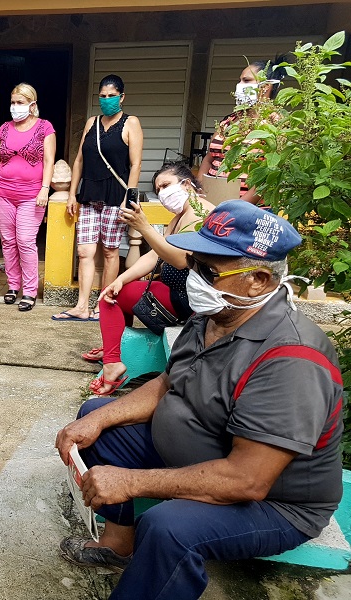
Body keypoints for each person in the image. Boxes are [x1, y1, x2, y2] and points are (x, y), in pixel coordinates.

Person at [55, 200, 343, 600]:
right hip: (206, 454)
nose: (194, 278)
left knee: (168, 526)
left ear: (258, 280)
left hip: (276, 503)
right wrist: (99, 421)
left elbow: (248, 479)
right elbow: (169, 382)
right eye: (194, 264)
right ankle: (119, 543)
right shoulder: (214, 316)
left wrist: (133, 482)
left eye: (208, 271)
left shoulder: (291, 360)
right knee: (98, 417)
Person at [83, 163, 214, 395]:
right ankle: (114, 350)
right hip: (177, 291)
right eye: (158, 189)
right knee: (113, 291)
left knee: (107, 300)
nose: (162, 193)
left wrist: (144, 228)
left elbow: (181, 260)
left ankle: (113, 363)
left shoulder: (201, 214)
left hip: (189, 300)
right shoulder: (181, 215)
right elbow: (155, 255)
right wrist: (120, 279)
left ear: (186, 184)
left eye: (166, 185)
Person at [53, 74, 143, 322]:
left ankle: (103, 304)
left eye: (111, 96)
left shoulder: (130, 123)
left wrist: (129, 197)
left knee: (110, 252)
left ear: (122, 97)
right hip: (90, 194)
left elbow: (135, 165)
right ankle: (82, 306)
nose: (106, 100)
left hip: (116, 195)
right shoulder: (92, 122)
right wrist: (72, 193)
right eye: (102, 96)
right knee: (84, 251)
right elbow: (80, 159)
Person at [0, 83, 56, 312]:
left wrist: (45, 188)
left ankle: (29, 290)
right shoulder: (4, 129)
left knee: (25, 241)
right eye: (13, 102)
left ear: (32, 105)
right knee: (8, 242)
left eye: (20, 103)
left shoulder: (45, 128)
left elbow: (48, 161)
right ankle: (13, 286)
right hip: (1, 194)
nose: (15, 107)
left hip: (31, 196)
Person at [197, 56, 286, 204]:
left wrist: (236, 208)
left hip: (248, 211)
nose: (239, 85)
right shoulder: (229, 121)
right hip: (211, 204)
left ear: (265, 86)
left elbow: (270, 175)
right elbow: (210, 157)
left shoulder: (277, 126)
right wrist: (199, 192)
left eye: (246, 80)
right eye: (240, 80)